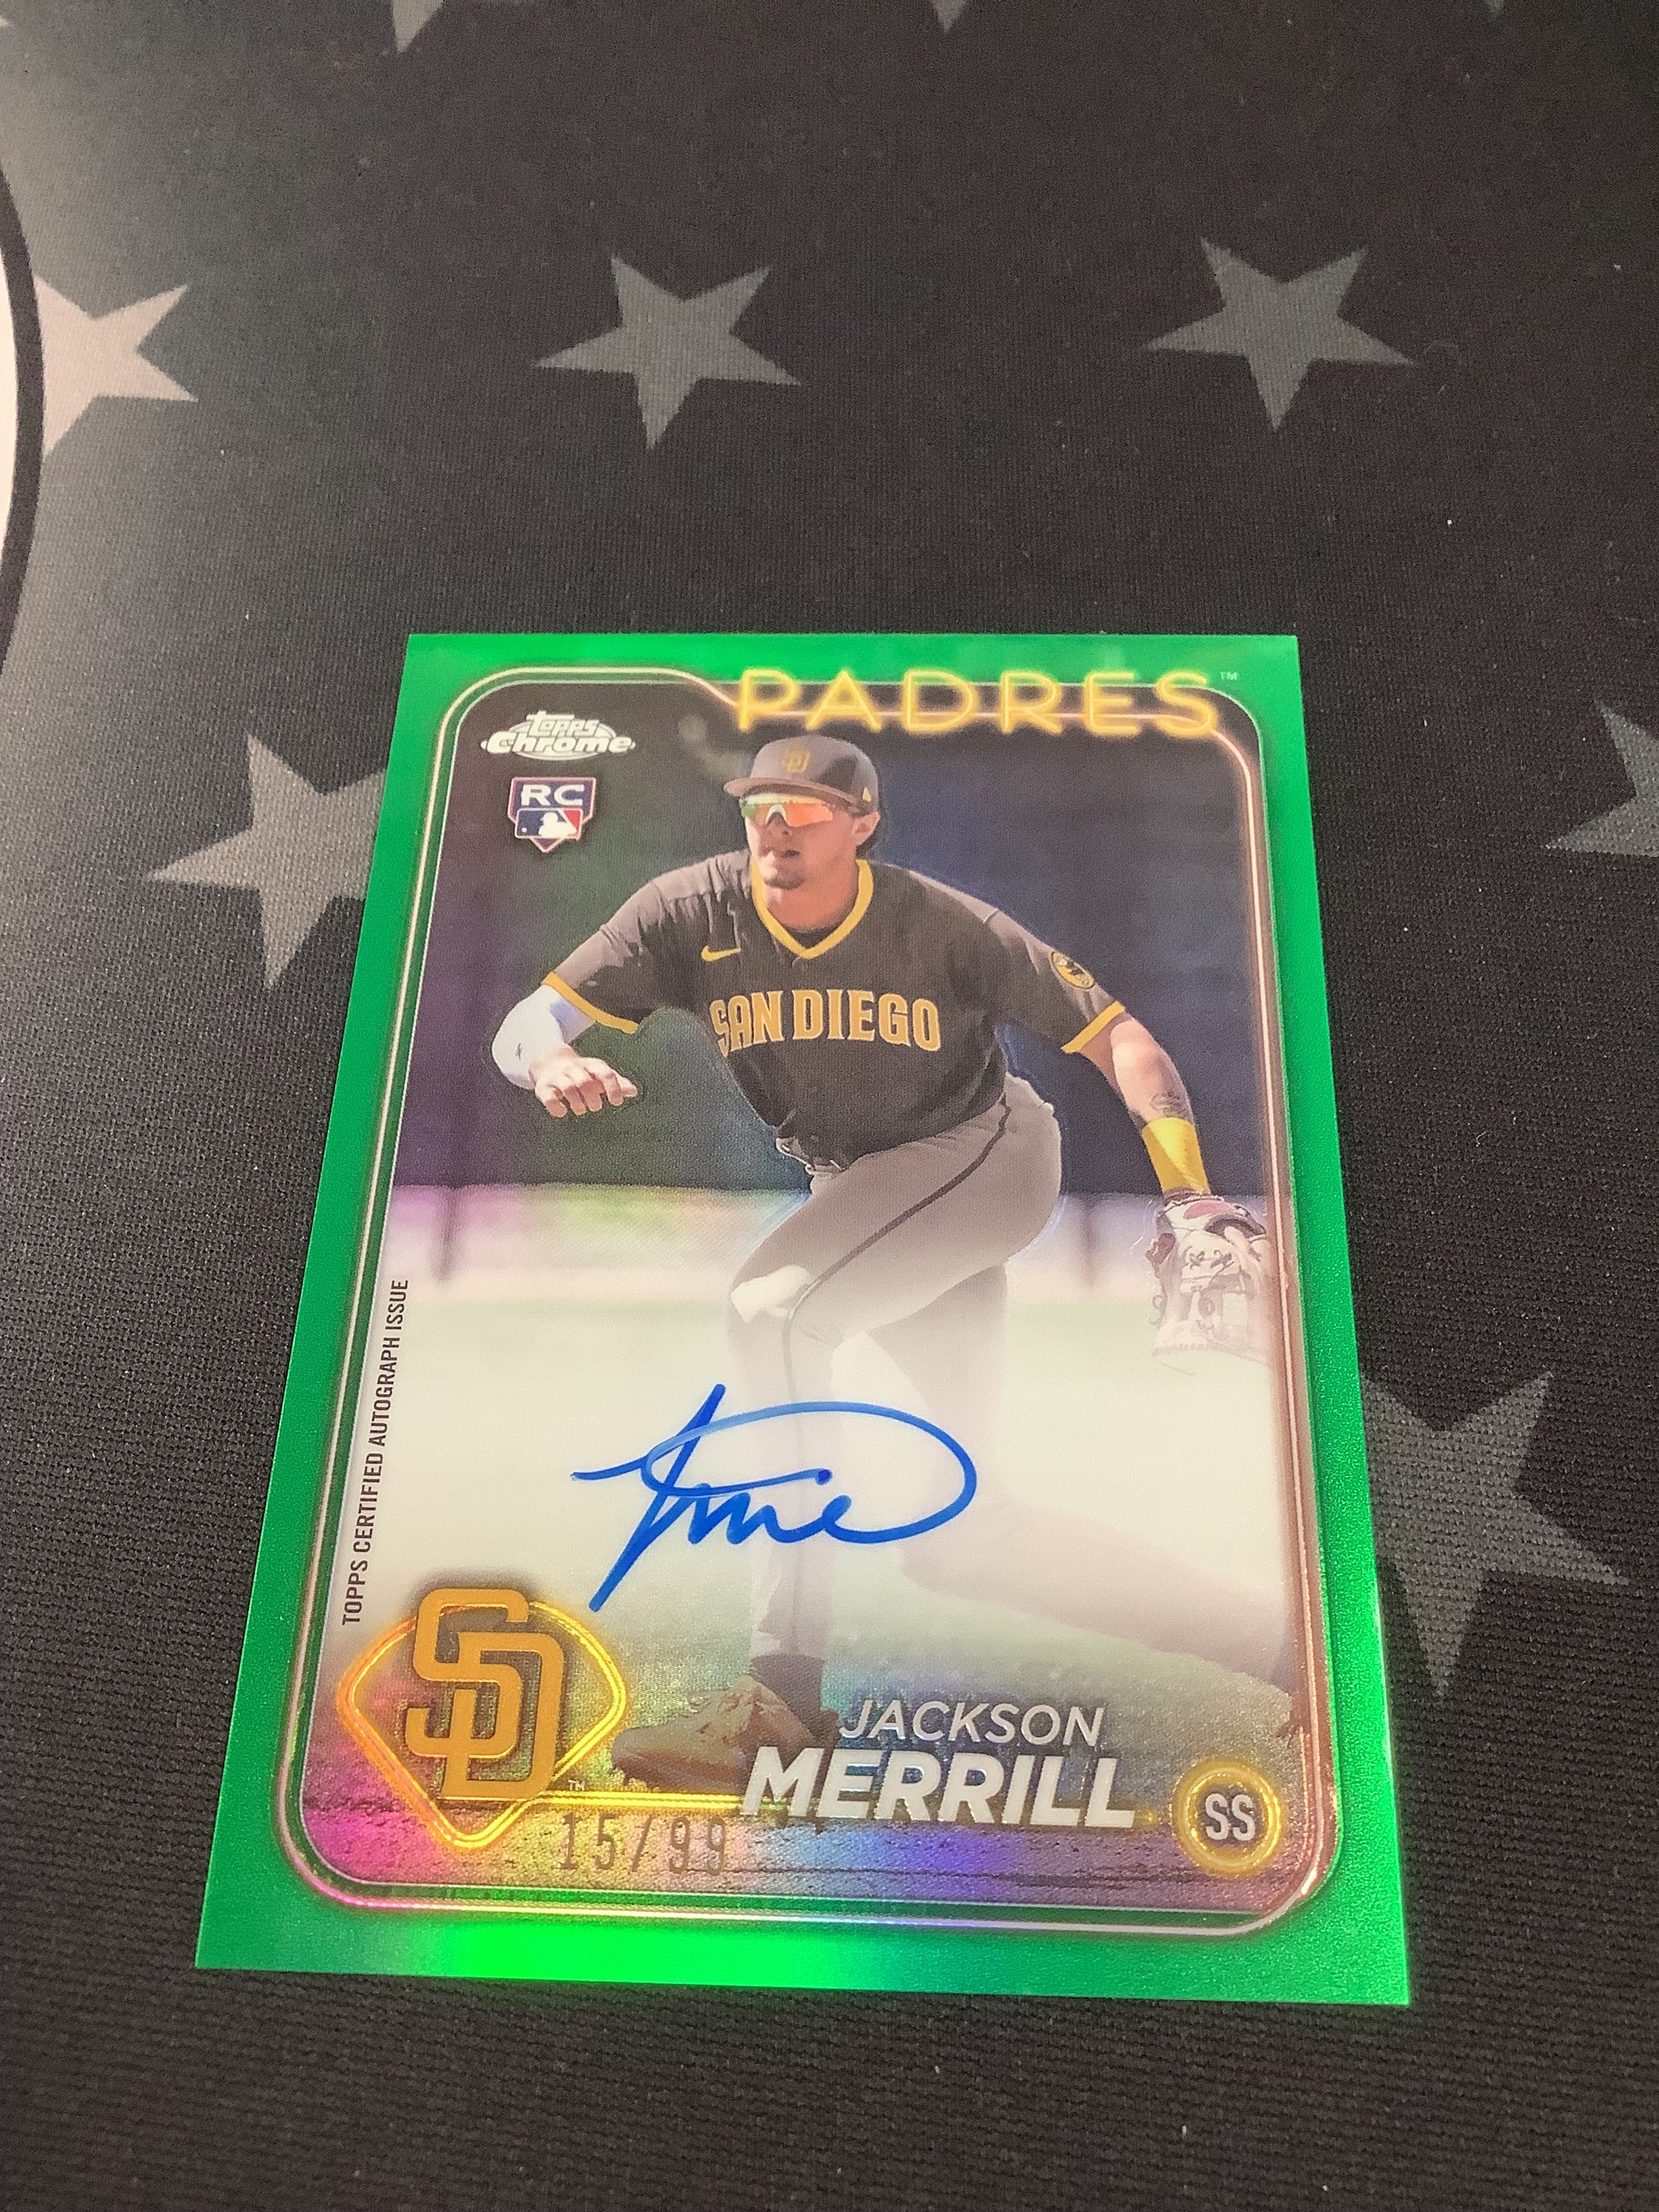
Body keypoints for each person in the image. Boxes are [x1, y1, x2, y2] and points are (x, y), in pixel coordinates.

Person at [492, 732, 1282, 1790]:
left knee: (771, 1312)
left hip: (984, 1158)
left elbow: (1116, 1037)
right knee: (960, 1538)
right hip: (869, 1196)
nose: (776, 828)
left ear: (861, 825)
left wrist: (1189, 1194)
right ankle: (1289, 1654)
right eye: (759, 807)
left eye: (804, 811)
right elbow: (527, 1020)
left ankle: (778, 1701)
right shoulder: (690, 912)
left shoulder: (938, 924)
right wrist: (546, 1056)